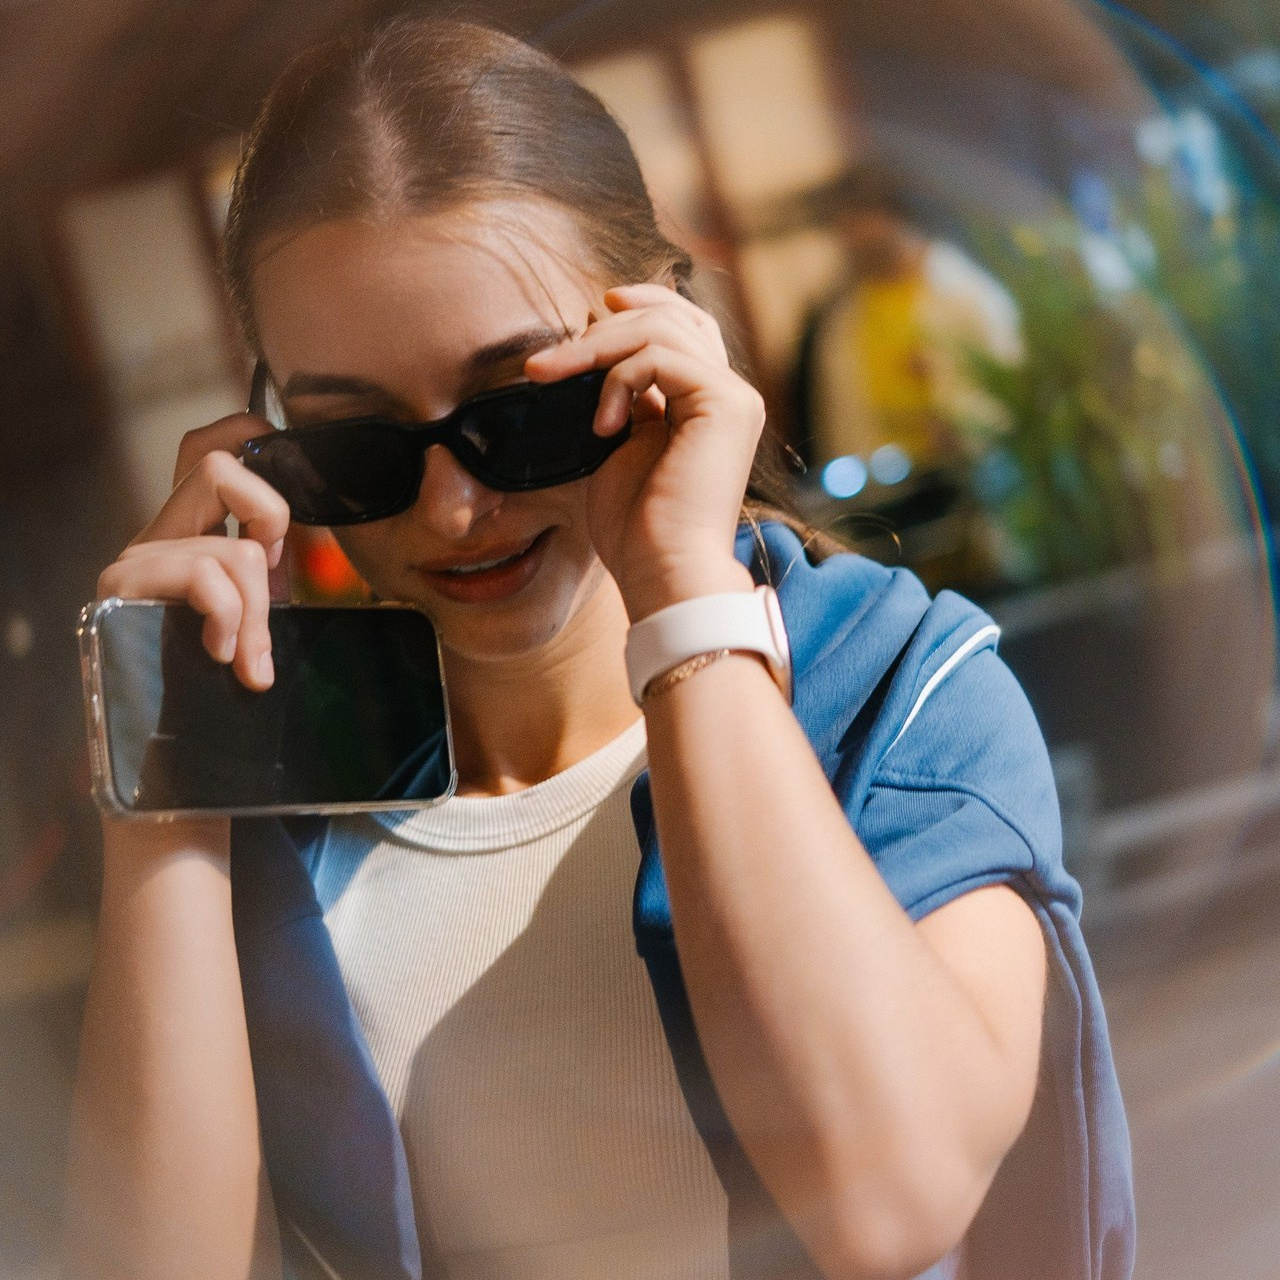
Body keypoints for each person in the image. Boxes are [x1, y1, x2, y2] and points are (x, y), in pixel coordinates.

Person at [65, 17, 1133, 1280]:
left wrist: (681, 592)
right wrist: (163, 757)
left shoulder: (892, 690)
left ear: (660, 336)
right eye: (358, 447)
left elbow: (883, 1203)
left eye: (525, 412)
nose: (454, 510)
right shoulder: (285, 797)